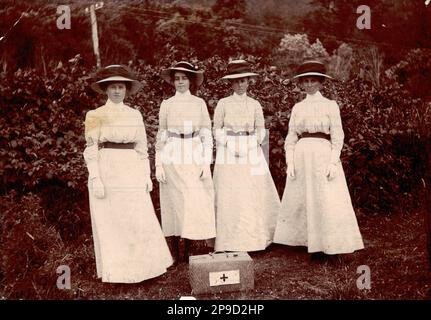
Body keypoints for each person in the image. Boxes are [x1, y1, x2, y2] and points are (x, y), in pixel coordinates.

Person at [83, 64, 172, 283]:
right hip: (107, 168)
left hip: (131, 169)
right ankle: (118, 274)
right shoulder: (95, 115)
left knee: (137, 218)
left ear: (127, 89)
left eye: (121, 87)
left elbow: (142, 149)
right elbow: (91, 149)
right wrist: (95, 178)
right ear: (105, 89)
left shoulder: (135, 115)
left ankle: (146, 271)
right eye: (112, 87)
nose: (116, 91)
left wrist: (145, 175)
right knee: (112, 220)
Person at [273, 60, 364, 259]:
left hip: (323, 154)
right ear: (301, 84)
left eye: (313, 81)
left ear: (321, 83)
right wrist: (290, 161)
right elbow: (291, 136)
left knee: (326, 198)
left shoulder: (330, 106)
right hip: (302, 154)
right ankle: (308, 243)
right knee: (305, 198)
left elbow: (337, 136)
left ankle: (330, 245)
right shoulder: (298, 107)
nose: (309, 85)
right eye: (305, 81)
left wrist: (333, 161)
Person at [213, 60, 281, 252]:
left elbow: (260, 131)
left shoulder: (255, 105)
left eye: (243, 81)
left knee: (251, 194)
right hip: (229, 153)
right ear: (231, 84)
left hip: (251, 152)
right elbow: (216, 129)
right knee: (231, 194)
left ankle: (255, 240)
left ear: (249, 82)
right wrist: (229, 144)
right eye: (236, 81)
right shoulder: (223, 104)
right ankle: (229, 242)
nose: (240, 85)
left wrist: (251, 144)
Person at [156, 61, 216, 264]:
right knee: (172, 200)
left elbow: (206, 133)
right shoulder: (167, 104)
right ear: (173, 82)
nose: (180, 82)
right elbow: (161, 134)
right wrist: (158, 163)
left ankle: (188, 247)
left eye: (184, 78)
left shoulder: (199, 103)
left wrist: (205, 163)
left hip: (193, 151)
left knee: (190, 199)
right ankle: (174, 251)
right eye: (177, 79)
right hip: (172, 151)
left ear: (191, 81)